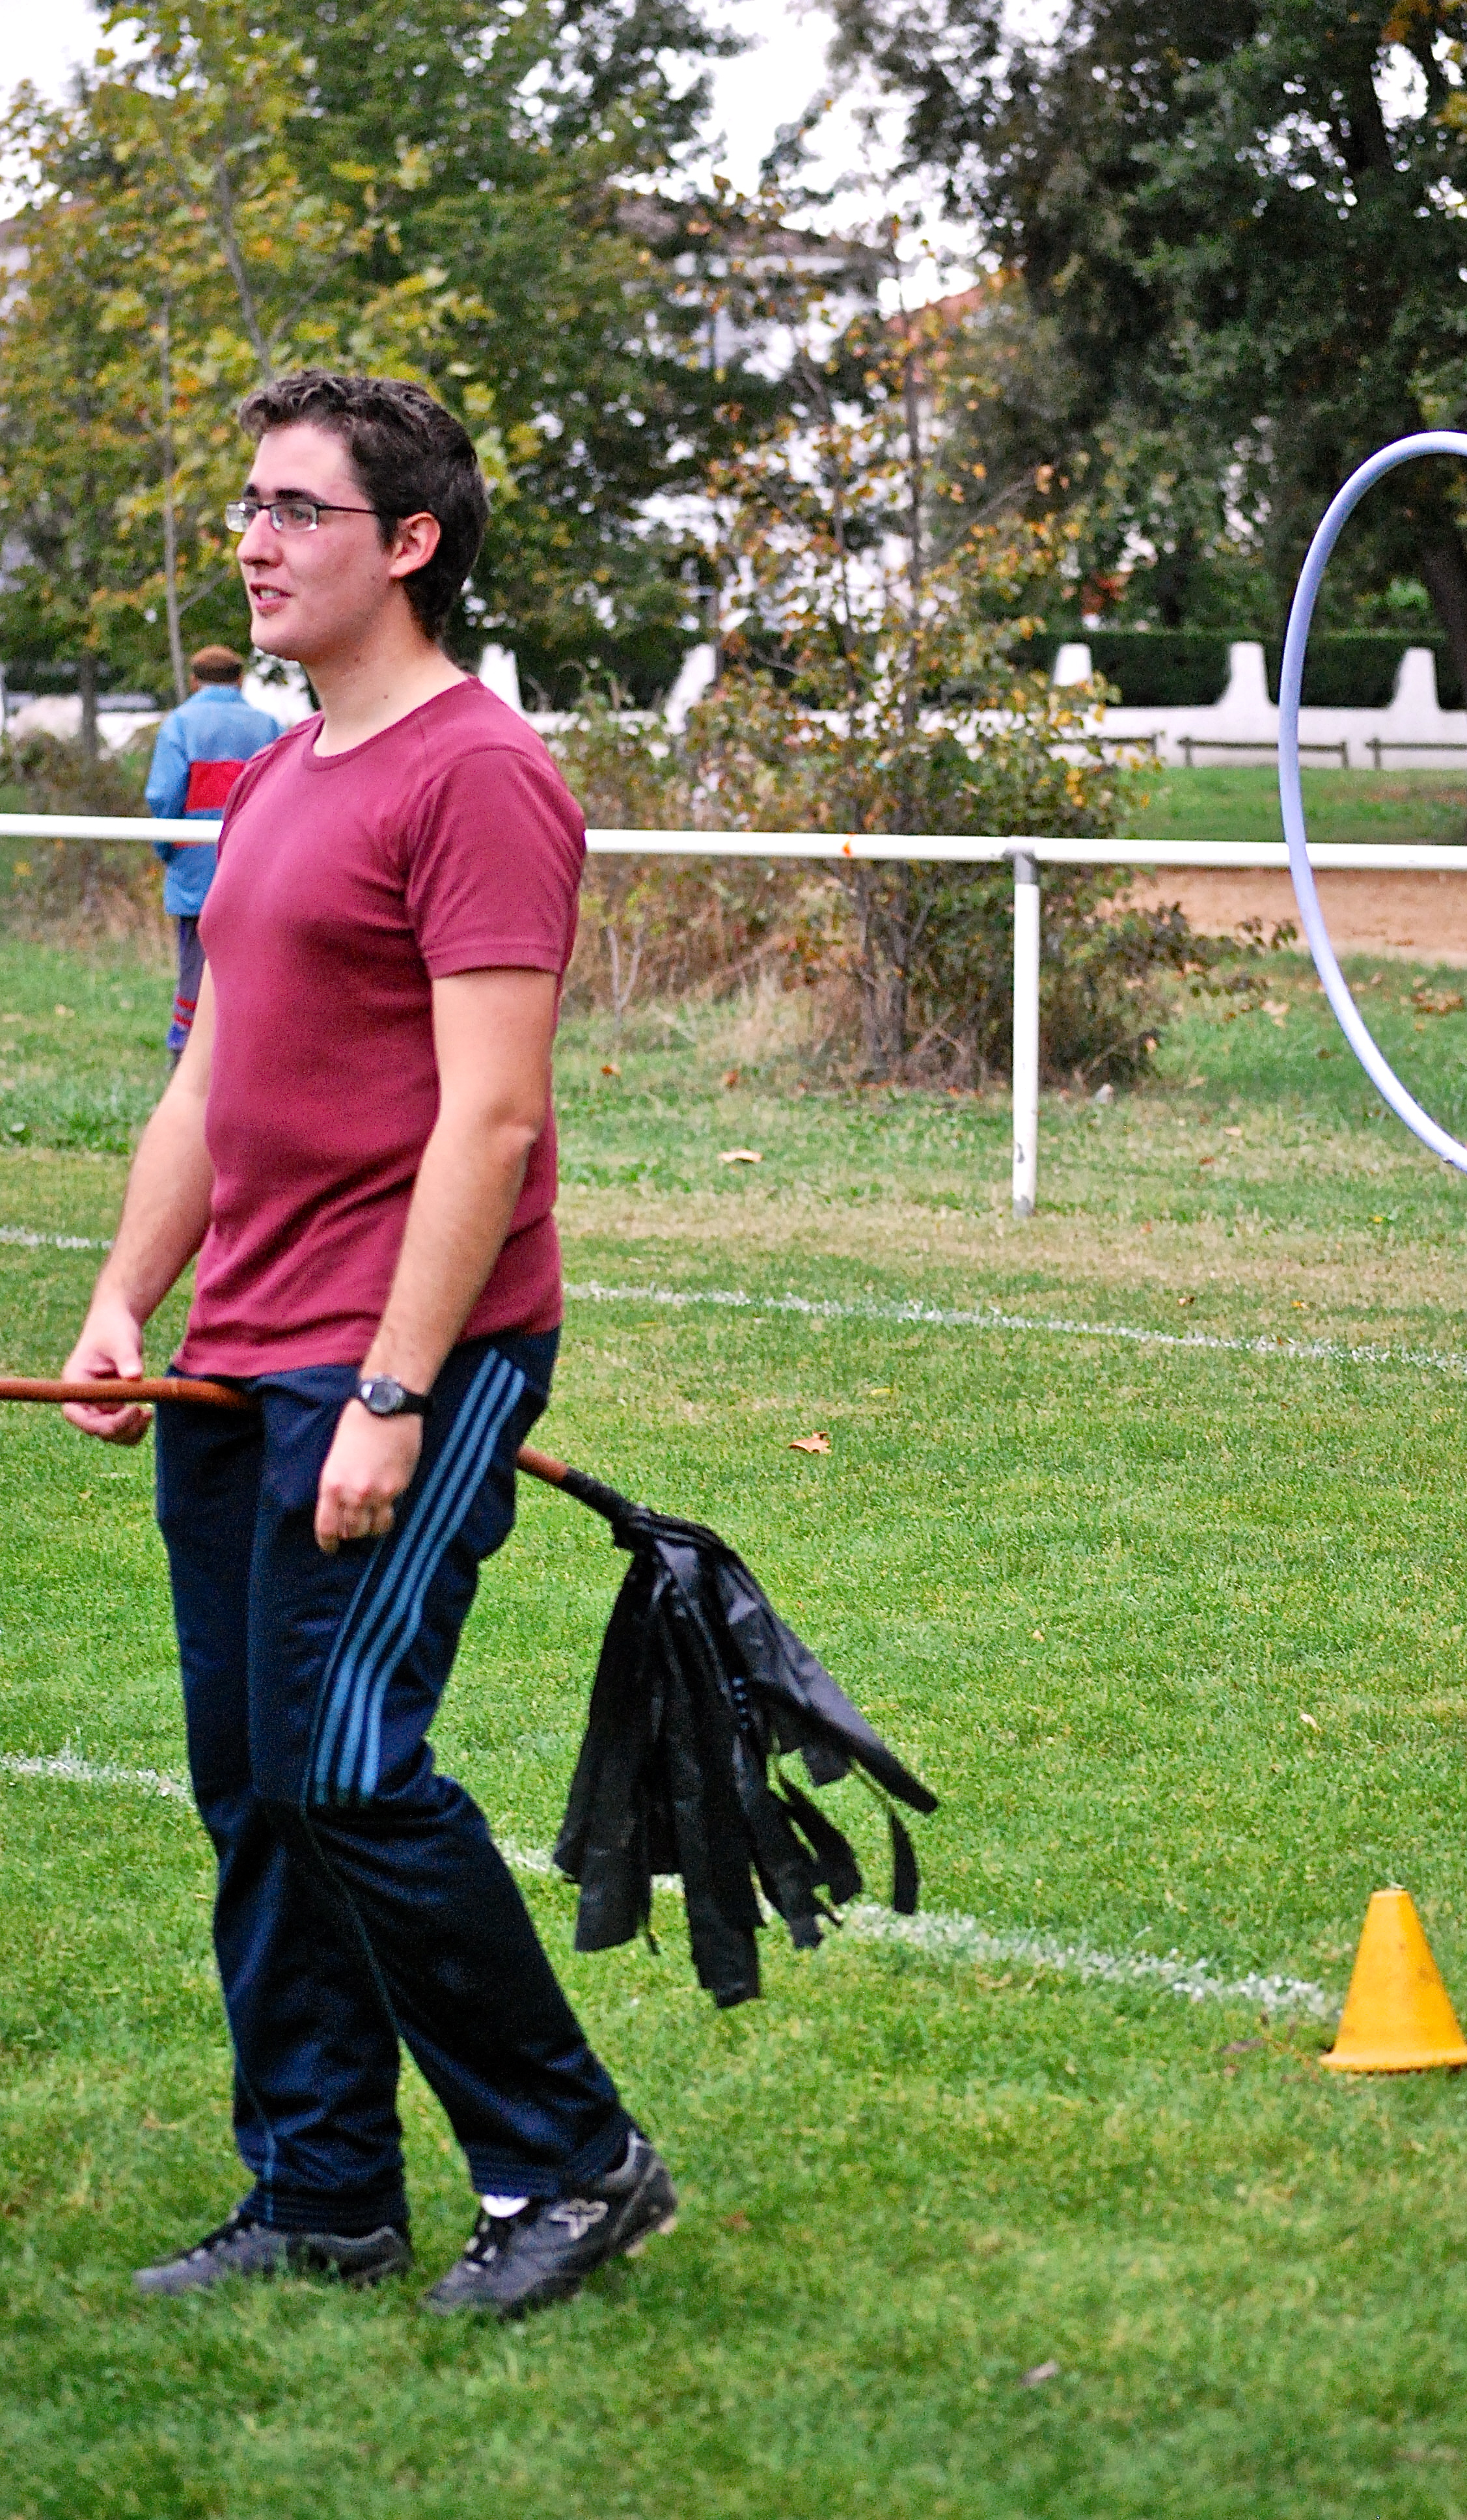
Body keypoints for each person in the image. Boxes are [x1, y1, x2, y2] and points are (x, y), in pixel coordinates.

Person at [62, 369, 674, 2320]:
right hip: (237, 1351)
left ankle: (574, 2161)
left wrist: (401, 1393)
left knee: (344, 1764)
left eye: (296, 508)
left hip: (412, 1345)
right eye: (249, 502)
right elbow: (207, 1079)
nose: (254, 536)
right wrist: (120, 1299)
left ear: (407, 544)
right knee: (251, 1781)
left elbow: (492, 1116)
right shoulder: (280, 772)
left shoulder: (478, 772)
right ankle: (320, 2190)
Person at [143, 646, 281, 1063]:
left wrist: (166, 849)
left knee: (193, 962)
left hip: (195, 865)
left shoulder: (179, 724)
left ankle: (184, 1051)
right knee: (250, 963)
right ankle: (243, 1049)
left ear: (195, 680)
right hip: (253, 864)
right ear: (240, 680)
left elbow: (164, 796)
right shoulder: (269, 726)